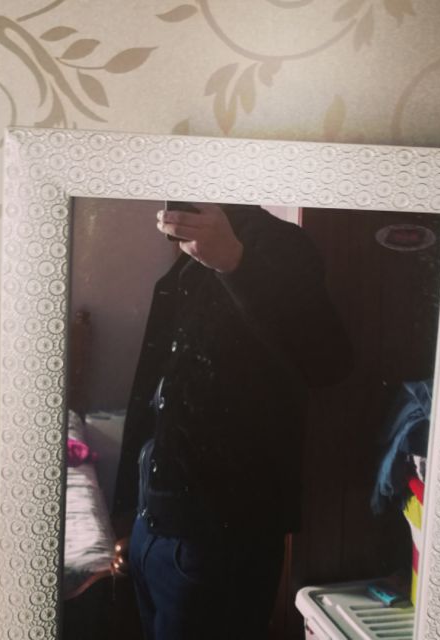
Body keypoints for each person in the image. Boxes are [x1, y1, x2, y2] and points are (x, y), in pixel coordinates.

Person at [112, 202, 352, 640]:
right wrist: (128, 511)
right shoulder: (186, 257)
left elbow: (330, 361)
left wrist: (235, 262)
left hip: (221, 539)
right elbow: (157, 390)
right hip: (156, 525)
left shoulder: (280, 243)